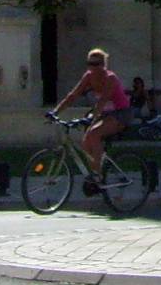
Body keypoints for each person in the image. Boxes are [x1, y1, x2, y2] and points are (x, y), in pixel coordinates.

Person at [55, 47, 132, 191]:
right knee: (85, 142)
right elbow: (73, 95)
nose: (92, 67)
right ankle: (99, 169)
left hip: (121, 114)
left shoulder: (110, 78)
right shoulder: (89, 76)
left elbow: (102, 100)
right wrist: (55, 112)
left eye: (96, 64)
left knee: (94, 134)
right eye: (89, 64)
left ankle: (97, 175)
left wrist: (91, 119)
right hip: (104, 114)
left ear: (103, 65)